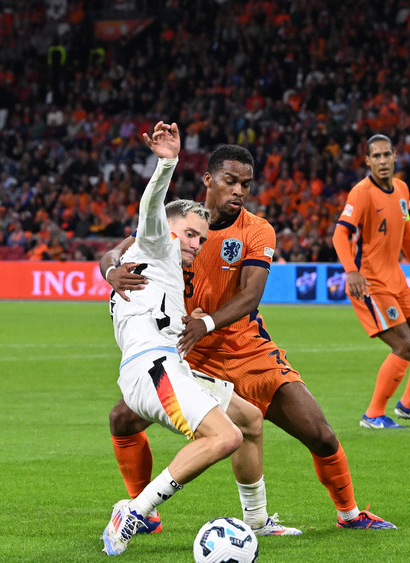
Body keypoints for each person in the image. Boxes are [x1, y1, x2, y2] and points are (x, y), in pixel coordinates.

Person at [103, 143, 394, 532]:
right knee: (122, 419)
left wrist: (206, 324)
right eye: (231, 181)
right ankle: (145, 515)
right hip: (189, 357)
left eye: (246, 184)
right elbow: (116, 251)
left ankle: (350, 513)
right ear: (209, 180)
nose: (239, 190)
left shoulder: (257, 230)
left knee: (320, 434)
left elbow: (251, 294)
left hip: (247, 351)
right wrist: (110, 272)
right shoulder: (180, 222)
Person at [101, 122, 268, 556]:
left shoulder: (157, 264)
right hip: (154, 369)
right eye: (190, 235)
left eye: (202, 237)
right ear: (166, 228)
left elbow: (120, 262)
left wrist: (188, 317)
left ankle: (259, 521)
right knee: (225, 437)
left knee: (249, 419)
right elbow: (152, 204)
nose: (196, 243)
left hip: (165, 365)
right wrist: (168, 162)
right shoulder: (156, 244)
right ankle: (136, 509)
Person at [331, 134, 410, 430]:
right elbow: (339, 234)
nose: (382, 161)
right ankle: (373, 414)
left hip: (397, 281)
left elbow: (407, 235)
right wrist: (351, 272)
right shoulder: (361, 193)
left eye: (387, 155)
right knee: (404, 345)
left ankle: (409, 404)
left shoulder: (403, 190)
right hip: (369, 285)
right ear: (367, 161)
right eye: (376, 156)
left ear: (395, 157)